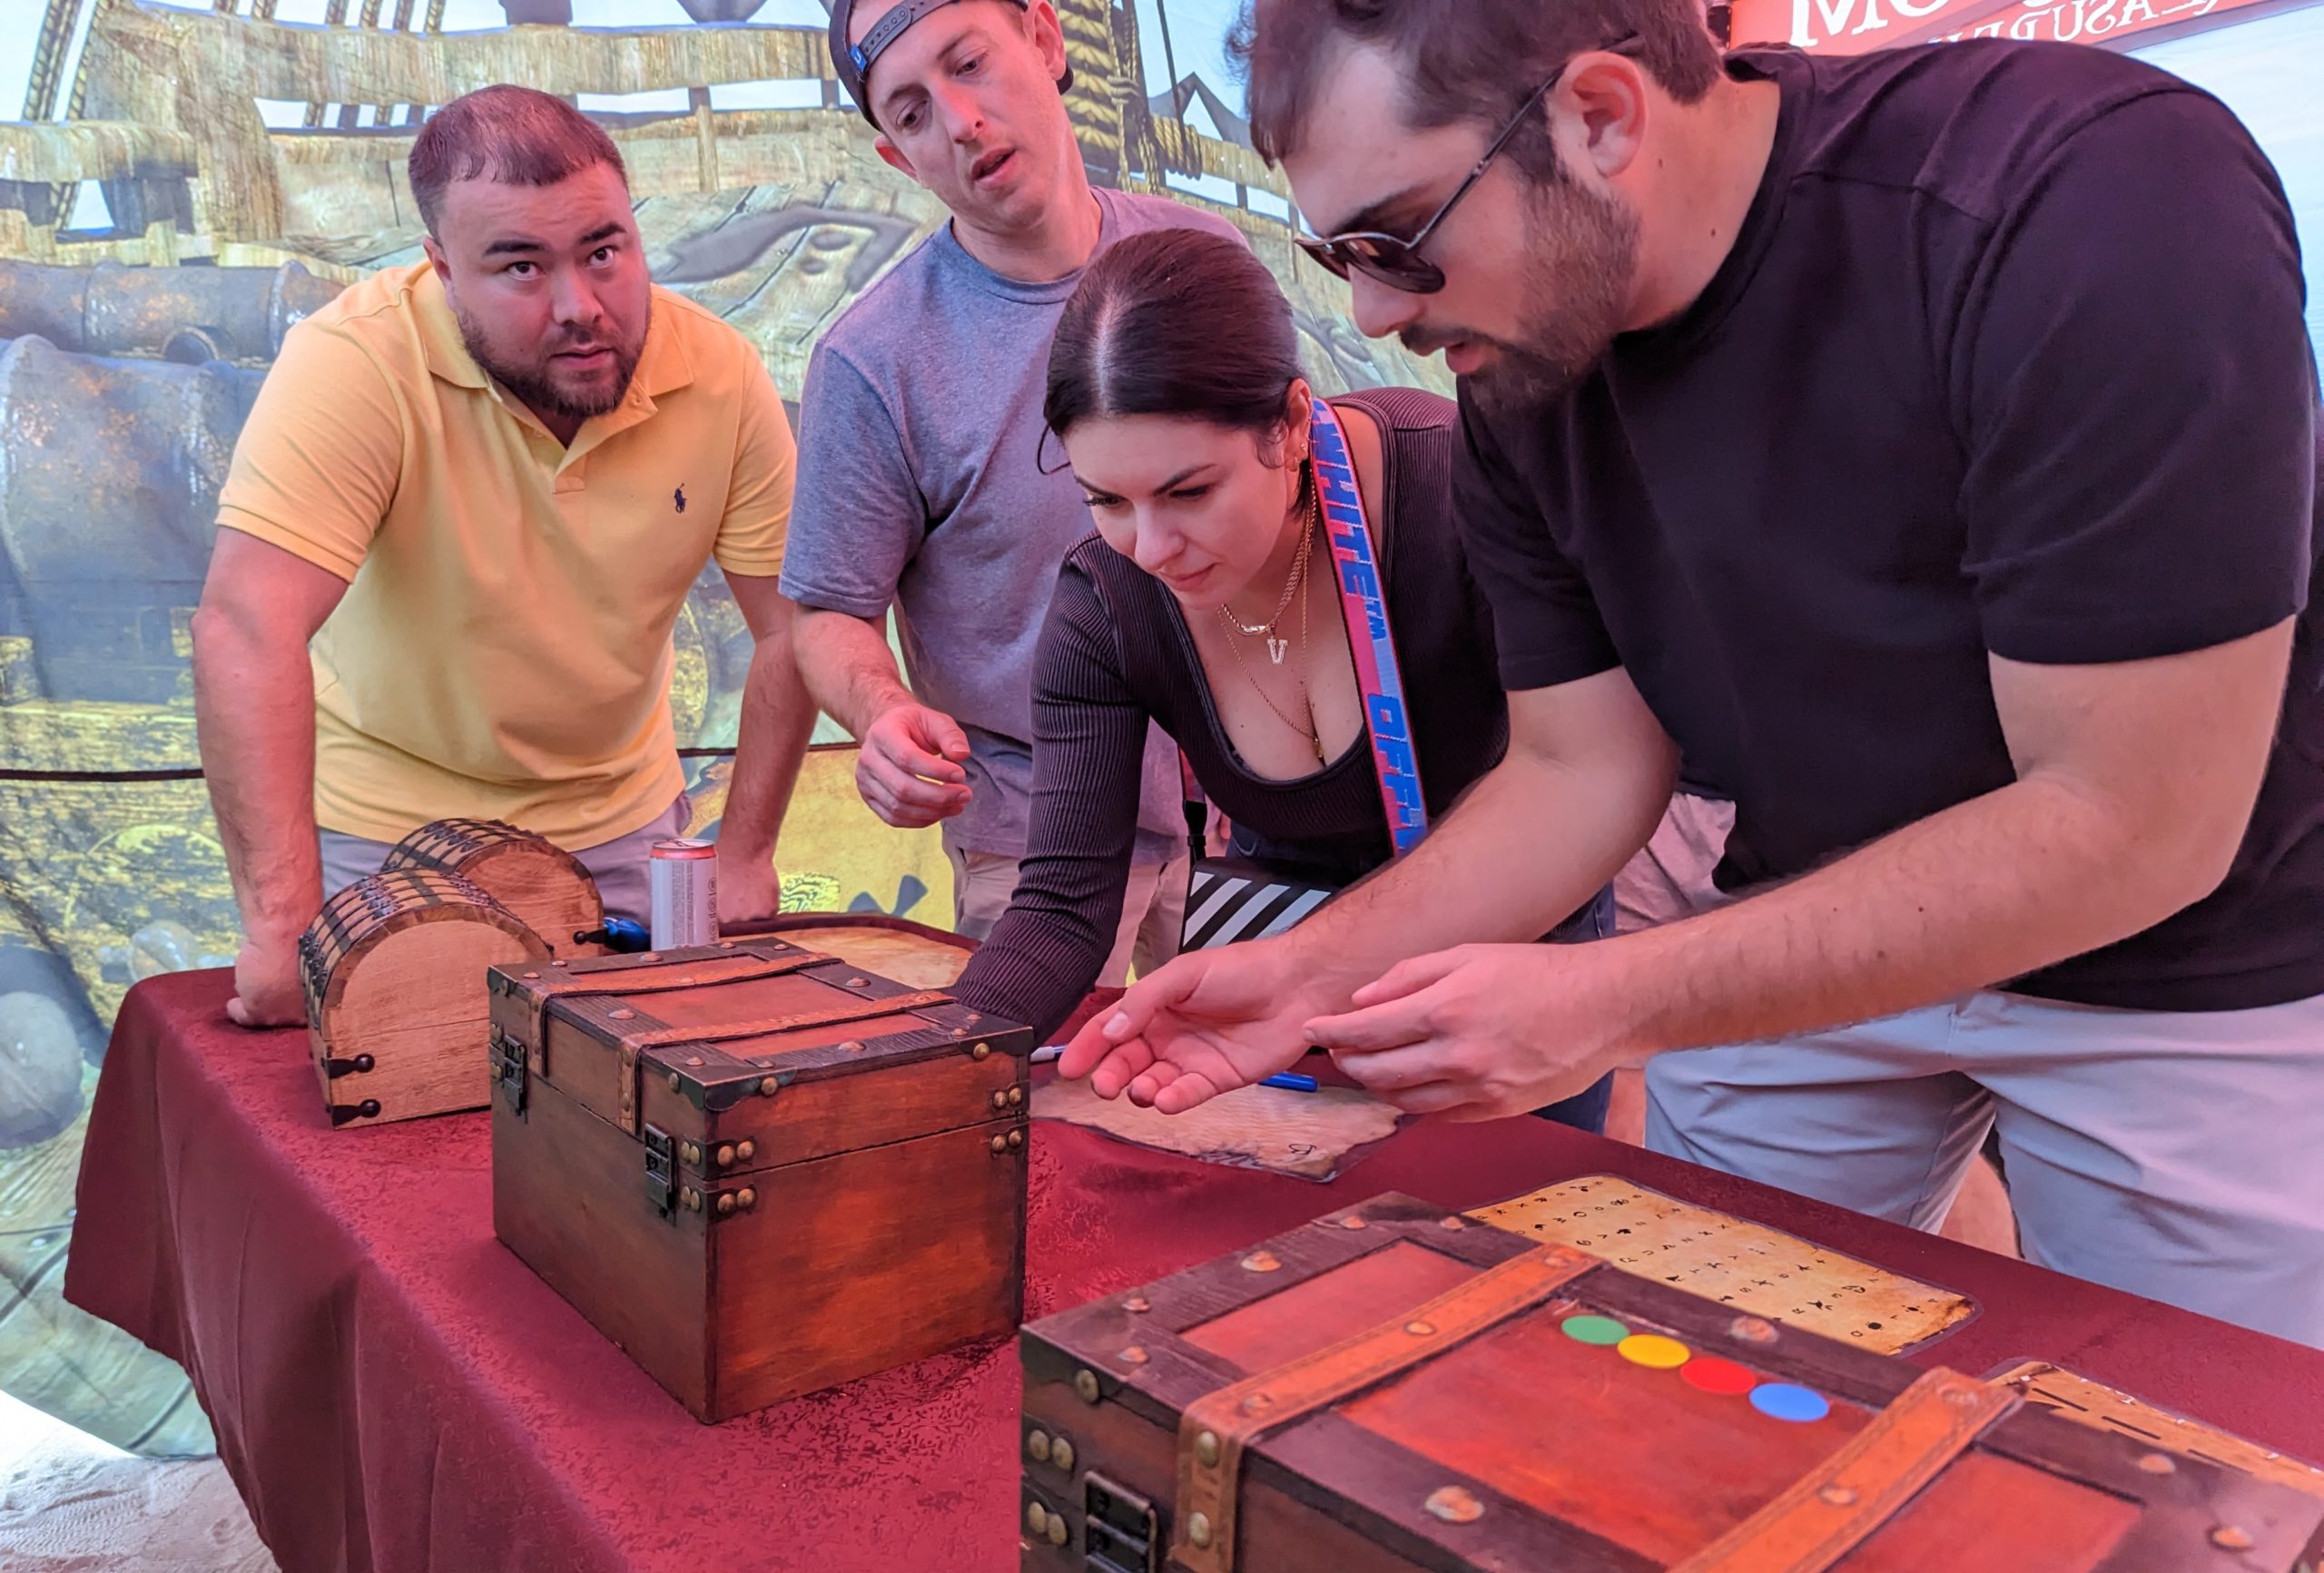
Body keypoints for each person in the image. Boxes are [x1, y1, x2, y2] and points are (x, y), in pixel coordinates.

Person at [1066, 0, 2324, 1345]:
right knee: (1686, 1382)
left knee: (2191, 1470)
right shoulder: (1527, 376)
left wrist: (1614, 1002)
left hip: (2193, 955)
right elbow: (1577, 767)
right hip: (1809, 906)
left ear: (1600, 118)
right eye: (1339, 256)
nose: (1377, 314)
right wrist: (1311, 975)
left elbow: (2131, 824)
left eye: (1400, 239)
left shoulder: (2085, 197)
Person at [950, 230, 1614, 1128]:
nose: (1149, 548)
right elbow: (1063, 906)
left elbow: (1584, 780)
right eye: (1105, 499)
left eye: (1188, 492)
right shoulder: (1103, 604)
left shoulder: (1466, 494)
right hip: (1278, 1005)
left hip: (1506, 980)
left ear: (1292, 424)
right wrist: (926, 1058)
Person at [195, 86, 814, 1027]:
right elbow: (246, 627)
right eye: (520, 267)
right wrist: (281, 926)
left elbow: (792, 629)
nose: (581, 307)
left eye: (604, 252)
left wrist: (746, 849)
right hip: (382, 834)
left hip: (624, 826)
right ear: (440, 266)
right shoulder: (355, 360)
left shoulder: (722, 373)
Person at [780, 0, 1243, 969]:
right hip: (1036, 838)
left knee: (1274, 1118)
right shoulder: (873, 358)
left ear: (1043, 35)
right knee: (1042, 1115)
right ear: (898, 161)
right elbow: (826, 613)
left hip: (1254, 814)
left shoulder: (1204, 266)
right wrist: (882, 712)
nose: (957, 120)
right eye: (910, 113)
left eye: (969, 64)